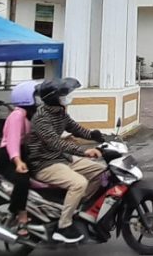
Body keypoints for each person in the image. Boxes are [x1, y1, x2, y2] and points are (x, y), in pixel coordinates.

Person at [27, 78, 106, 244]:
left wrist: (94, 135)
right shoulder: (41, 118)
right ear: (54, 98)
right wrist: (85, 151)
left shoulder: (60, 112)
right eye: (63, 94)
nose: (67, 96)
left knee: (101, 172)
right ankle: (63, 227)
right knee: (79, 184)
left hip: (62, 159)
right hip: (45, 163)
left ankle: (74, 206)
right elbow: (56, 142)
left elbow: (74, 128)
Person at [0, 80, 40, 239]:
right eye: (35, 96)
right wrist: (17, 161)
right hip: (8, 156)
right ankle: (20, 214)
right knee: (23, 180)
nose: (38, 99)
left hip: (23, 153)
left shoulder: (30, 114)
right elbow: (13, 140)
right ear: (26, 98)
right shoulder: (17, 115)